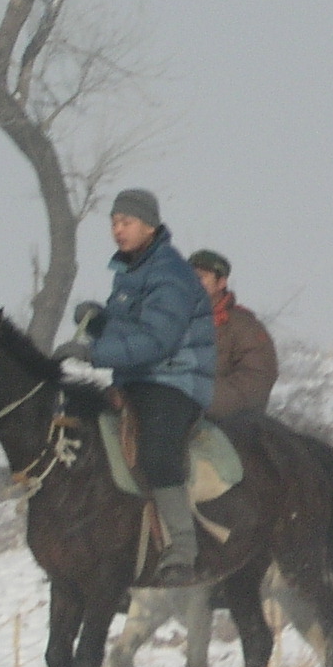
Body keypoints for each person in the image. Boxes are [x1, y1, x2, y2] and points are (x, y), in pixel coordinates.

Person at [61, 189, 216, 586]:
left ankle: (183, 546)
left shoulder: (171, 273)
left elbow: (156, 339)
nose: (117, 229)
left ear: (150, 225)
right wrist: (97, 322)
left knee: (156, 452)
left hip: (174, 381)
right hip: (136, 380)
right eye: (114, 222)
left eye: (126, 222)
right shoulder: (132, 271)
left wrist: (92, 352)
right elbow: (128, 330)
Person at [187, 249, 278, 424]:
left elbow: (256, 382)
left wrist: (198, 396)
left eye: (200, 278)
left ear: (221, 283)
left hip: (229, 425)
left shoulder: (244, 327)